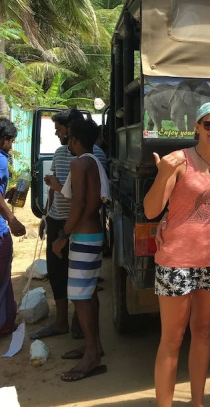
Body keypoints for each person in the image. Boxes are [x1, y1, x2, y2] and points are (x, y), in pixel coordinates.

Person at [144, 102, 210, 407]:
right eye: (209, 124)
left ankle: (198, 403)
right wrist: (163, 175)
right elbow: (151, 210)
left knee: (203, 332)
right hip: (177, 261)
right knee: (172, 339)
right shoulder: (179, 161)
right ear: (197, 126)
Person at [32, 109, 106, 341]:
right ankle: (67, 324)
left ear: (72, 133)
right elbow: (67, 195)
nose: (58, 134)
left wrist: (64, 234)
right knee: (61, 275)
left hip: (76, 226)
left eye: (60, 130)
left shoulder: (85, 160)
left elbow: (83, 201)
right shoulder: (70, 155)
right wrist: (46, 216)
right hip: (67, 223)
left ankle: (85, 336)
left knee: (80, 289)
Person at [52, 118, 109, 381]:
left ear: (73, 139)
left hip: (83, 236)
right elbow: (89, 202)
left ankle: (92, 355)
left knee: (79, 296)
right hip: (93, 233)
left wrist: (63, 235)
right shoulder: (93, 161)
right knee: (89, 293)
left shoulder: (79, 163)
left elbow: (79, 205)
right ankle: (93, 347)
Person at [0, 118, 26, 335]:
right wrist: (11, 218)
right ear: (3, 139)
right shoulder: (0, 160)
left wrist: (6, 193)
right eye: (11, 141)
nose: (11, 145)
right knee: (3, 279)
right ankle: (4, 324)